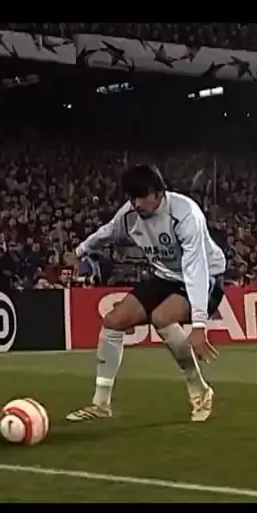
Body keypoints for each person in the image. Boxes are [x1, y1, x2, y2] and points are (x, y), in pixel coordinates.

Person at [66, 164, 226, 424]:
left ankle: (199, 391)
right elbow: (108, 232)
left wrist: (199, 324)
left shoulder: (185, 214)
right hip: (165, 275)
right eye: (132, 197)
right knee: (114, 321)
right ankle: (100, 404)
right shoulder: (130, 215)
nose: (136, 204)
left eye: (142, 196)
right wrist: (79, 252)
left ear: (159, 192)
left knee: (162, 317)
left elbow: (196, 267)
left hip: (206, 275)